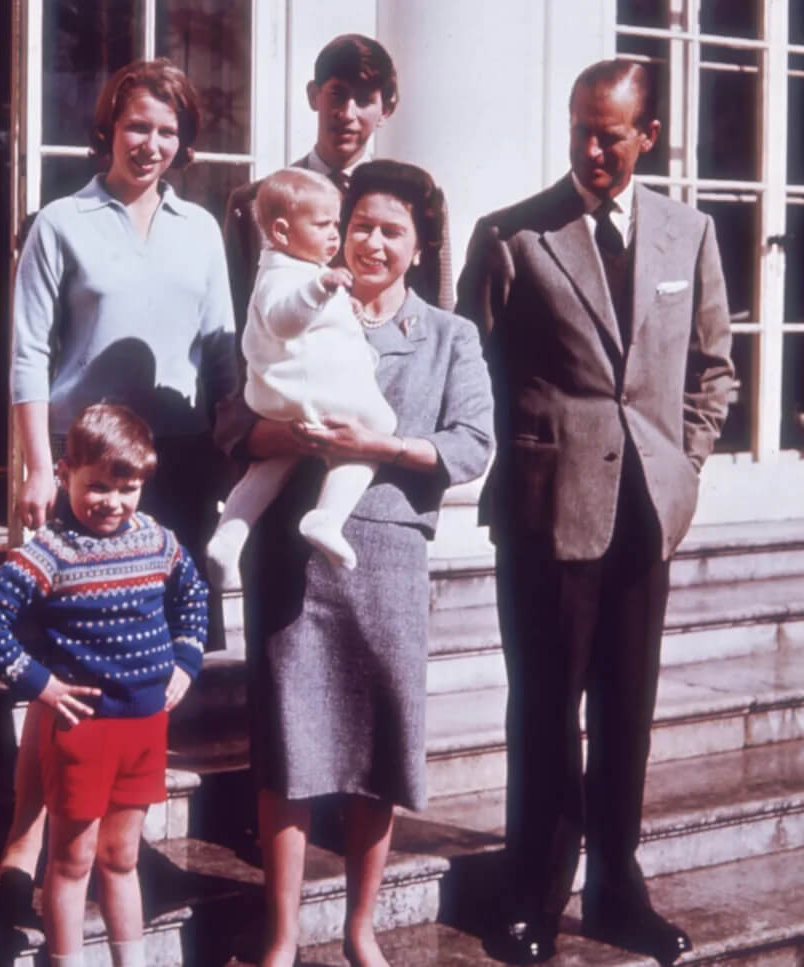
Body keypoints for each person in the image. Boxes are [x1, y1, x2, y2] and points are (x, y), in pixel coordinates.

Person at [455, 59, 735, 965]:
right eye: (580, 127)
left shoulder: (689, 235)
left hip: (646, 511)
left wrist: (683, 465)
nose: (590, 148)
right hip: (547, 514)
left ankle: (617, 888)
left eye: (609, 133)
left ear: (647, 136)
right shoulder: (514, 236)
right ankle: (533, 894)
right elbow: (476, 369)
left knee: (628, 711)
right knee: (544, 708)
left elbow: (711, 369)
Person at [219, 160, 494, 967]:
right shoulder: (295, 304)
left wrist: (382, 446)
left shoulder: (449, 335)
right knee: (287, 747)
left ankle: (359, 927)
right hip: (292, 556)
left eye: (391, 230)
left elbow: (473, 443)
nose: (371, 242)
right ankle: (280, 936)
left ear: (418, 244)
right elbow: (235, 422)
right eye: (361, 225)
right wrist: (291, 438)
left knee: (380, 747)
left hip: (387, 550)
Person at [0, 58, 236, 919]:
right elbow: (27, 352)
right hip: (82, 468)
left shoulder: (201, 229)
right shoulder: (62, 222)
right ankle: (28, 839)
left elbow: (220, 347)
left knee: (142, 664)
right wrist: (38, 468)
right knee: (62, 669)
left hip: (172, 468)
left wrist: (242, 436)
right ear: (110, 126)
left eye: (169, 132)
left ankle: (124, 836)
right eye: (139, 126)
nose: (153, 144)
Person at [0, 403, 207, 967]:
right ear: (66, 471)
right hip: (81, 730)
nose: (113, 504)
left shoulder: (157, 540)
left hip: (145, 727)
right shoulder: (50, 550)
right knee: (71, 862)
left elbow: (194, 596)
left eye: (129, 489)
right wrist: (40, 684)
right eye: (97, 487)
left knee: (121, 857)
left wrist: (186, 661)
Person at [206, 167, 396, 587]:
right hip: (305, 389)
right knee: (379, 427)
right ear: (281, 230)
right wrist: (322, 287)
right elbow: (284, 320)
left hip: (287, 395)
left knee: (273, 464)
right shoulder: (284, 275)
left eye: (336, 223)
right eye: (323, 224)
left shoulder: (295, 268)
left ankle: (229, 535)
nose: (334, 234)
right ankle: (327, 517)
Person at [222, 34, 454, 341]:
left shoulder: (414, 199)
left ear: (386, 109)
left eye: (364, 100)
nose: (347, 114)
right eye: (337, 95)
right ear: (313, 96)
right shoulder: (256, 202)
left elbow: (439, 309)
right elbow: (239, 321)